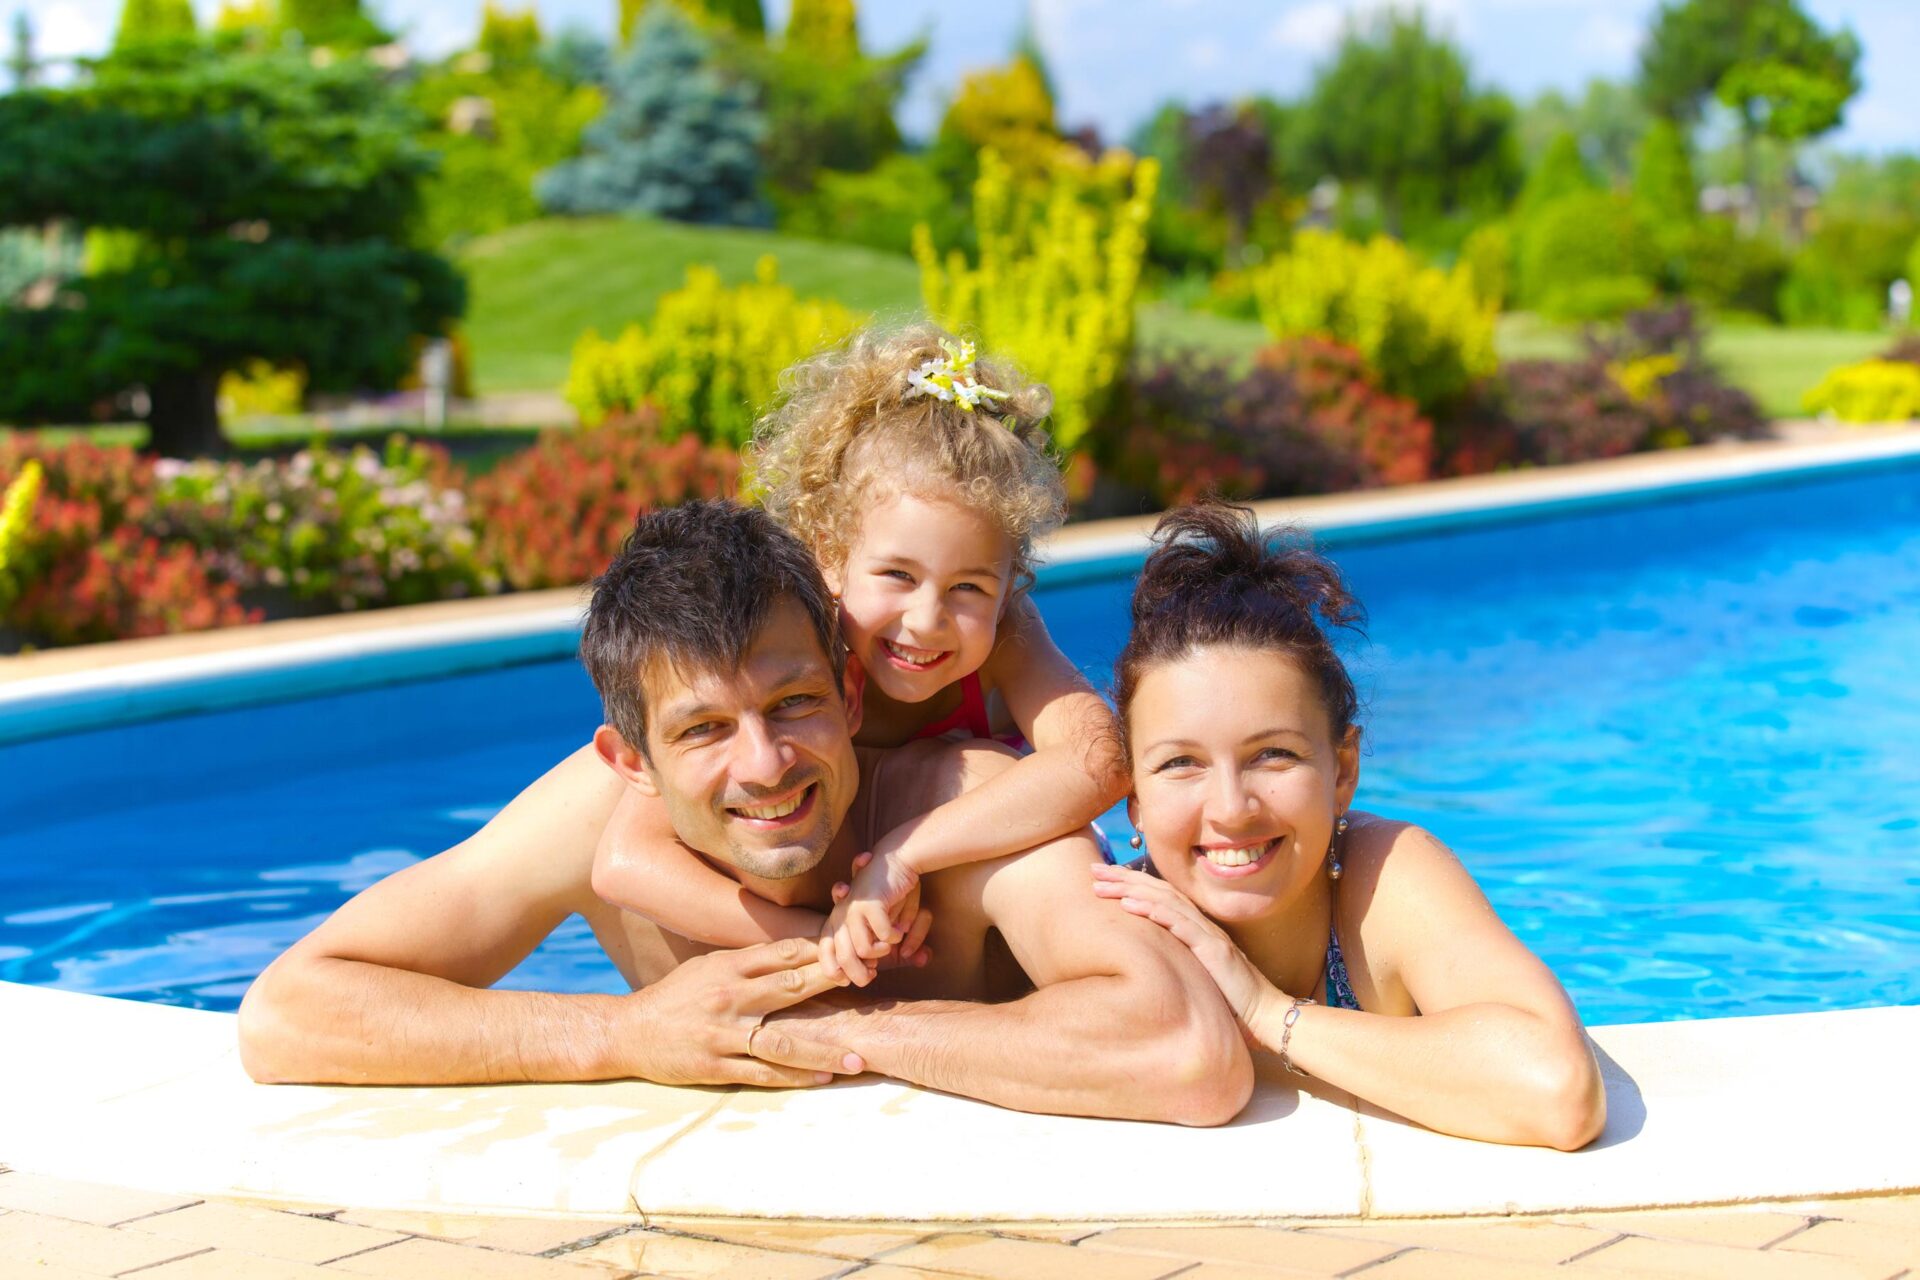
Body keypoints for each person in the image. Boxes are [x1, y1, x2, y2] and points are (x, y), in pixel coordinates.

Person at [239, 499, 1250, 1126]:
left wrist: (855, 1026)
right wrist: (627, 1033)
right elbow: (289, 1010)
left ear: (851, 693)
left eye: (795, 703)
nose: (764, 764)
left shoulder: (960, 802)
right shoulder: (596, 811)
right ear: (628, 757)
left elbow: (1188, 1053)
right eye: (703, 729)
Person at [592, 328, 1128, 985]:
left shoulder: (1008, 633)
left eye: (969, 586)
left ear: (1010, 579)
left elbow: (1100, 759)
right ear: (830, 552)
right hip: (842, 909)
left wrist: (906, 854)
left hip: (972, 901)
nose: (927, 621)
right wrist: (817, 938)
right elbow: (621, 858)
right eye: (897, 576)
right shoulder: (791, 646)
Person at [1090, 502, 1607, 1150]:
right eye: (1180, 763)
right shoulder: (1112, 919)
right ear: (1132, 800)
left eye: (1272, 754)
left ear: (1342, 770)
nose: (1230, 807)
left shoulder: (1386, 876)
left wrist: (1266, 1010)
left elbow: (1559, 1091)